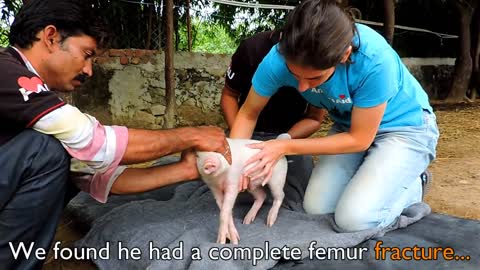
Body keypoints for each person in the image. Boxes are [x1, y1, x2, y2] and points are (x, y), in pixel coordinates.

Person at [0, 1, 231, 269]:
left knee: (60, 154)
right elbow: (95, 145)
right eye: (86, 54)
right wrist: (193, 135)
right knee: (46, 151)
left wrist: (188, 170)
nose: (88, 70)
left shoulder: (37, 104)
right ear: (51, 37)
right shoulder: (7, 73)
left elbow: (93, 173)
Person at [230, 0, 439, 232]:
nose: (302, 88)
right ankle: (374, 179)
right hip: (348, 127)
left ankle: (416, 183)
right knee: (316, 208)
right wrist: (237, 164)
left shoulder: (374, 61)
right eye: (293, 74)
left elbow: (360, 139)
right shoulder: (278, 59)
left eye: (314, 79)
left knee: (353, 220)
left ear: (344, 55)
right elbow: (248, 114)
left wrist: (284, 146)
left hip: (404, 128)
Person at [221, 30, 327, 203]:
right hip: (245, 133)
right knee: (227, 188)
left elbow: (314, 118)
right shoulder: (253, 49)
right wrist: (240, 147)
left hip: (288, 138)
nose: (302, 87)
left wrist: (283, 142)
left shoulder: (325, 60)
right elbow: (229, 97)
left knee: (300, 197)